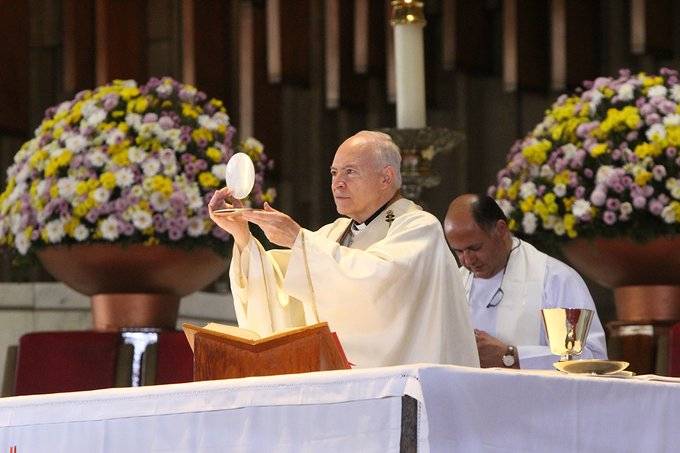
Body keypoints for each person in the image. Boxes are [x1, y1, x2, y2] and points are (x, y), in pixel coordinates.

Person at [209, 131, 479, 368]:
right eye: (334, 173)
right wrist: (242, 236)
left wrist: (298, 240)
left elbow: (379, 283)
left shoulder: (419, 227)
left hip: (403, 386)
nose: (337, 183)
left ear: (386, 178)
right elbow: (283, 291)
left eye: (350, 172)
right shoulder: (333, 233)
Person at [443, 194, 607, 369]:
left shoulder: (554, 280)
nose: (467, 260)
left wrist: (512, 357)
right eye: (458, 252)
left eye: (475, 248)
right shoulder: (453, 284)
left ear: (500, 229)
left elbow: (592, 360)